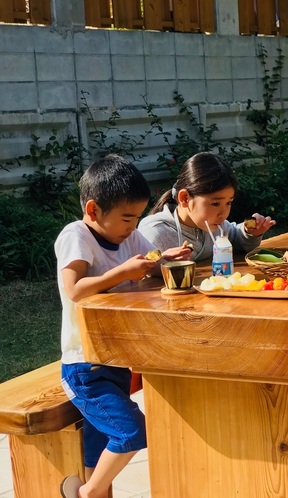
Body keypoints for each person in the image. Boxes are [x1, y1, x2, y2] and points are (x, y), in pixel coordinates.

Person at [56, 155, 190, 498]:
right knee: (130, 432)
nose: (133, 227)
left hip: (115, 357)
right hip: (84, 365)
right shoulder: (77, 236)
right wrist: (121, 273)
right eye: (126, 218)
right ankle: (86, 494)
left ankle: (96, 492)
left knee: (98, 443)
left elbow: (148, 261)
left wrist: (163, 260)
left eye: (137, 218)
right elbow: (73, 290)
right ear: (93, 210)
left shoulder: (129, 237)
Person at [138, 152, 275, 261]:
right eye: (215, 203)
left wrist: (250, 231)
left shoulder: (216, 226)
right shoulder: (155, 232)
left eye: (228, 203)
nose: (223, 214)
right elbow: (140, 276)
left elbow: (236, 237)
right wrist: (161, 263)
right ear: (185, 198)